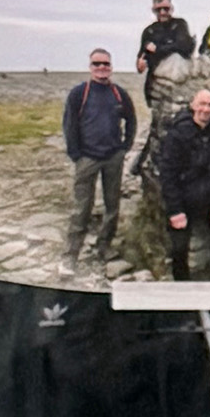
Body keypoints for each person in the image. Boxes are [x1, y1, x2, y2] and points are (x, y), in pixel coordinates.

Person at [61, 48, 136, 270]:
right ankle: (70, 255)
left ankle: (104, 247)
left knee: (112, 205)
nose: (101, 68)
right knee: (82, 207)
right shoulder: (79, 93)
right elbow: (69, 125)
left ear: (111, 67)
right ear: (90, 66)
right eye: (97, 64)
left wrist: (125, 147)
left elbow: (131, 120)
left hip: (113, 157)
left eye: (105, 64)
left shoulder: (119, 94)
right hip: (87, 159)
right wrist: (76, 154)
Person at [158, 88, 210, 282]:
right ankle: (184, 296)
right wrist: (175, 210)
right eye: (202, 104)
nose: (206, 109)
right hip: (184, 202)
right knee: (179, 249)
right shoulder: (177, 135)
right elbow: (167, 175)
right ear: (193, 106)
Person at [136, 0, 193, 83]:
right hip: (156, 80)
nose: (162, 12)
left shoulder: (179, 24)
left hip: (179, 78)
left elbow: (184, 47)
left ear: (172, 9)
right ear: (153, 10)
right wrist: (140, 64)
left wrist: (157, 50)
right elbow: (141, 58)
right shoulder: (149, 31)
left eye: (165, 9)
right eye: (158, 10)